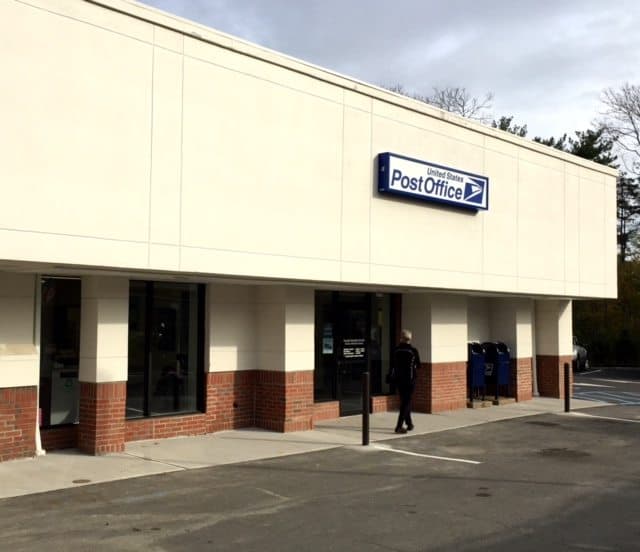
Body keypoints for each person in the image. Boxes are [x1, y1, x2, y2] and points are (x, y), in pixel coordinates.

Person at [392, 329, 420, 434]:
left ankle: (409, 423)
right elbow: (419, 365)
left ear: (401, 338)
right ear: (410, 339)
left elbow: (393, 364)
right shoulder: (413, 351)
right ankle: (399, 426)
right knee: (406, 402)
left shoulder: (396, 350)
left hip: (399, 379)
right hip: (410, 380)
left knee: (405, 401)